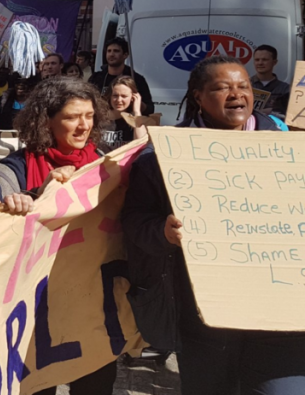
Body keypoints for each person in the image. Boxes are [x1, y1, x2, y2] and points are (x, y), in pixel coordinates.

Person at [121, 56, 301, 394]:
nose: (236, 94)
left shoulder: (289, 145)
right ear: (197, 97)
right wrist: (162, 232)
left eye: (243, 86)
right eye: (222, 88)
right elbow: (133, 221)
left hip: (283, 319)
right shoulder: (162, 155)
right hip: (205, 318)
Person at [0, 76, 115, 394]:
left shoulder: (107, 165)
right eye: (72, 117)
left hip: (91, 307)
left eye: (89, 116)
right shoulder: (13, 169)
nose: (83, 126)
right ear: (47, 121)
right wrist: (38, 197)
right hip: (35, 308)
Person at [88, 38, 155, 114]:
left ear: (125, 55)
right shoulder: (96, 78)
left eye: (116, 51)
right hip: (102, 122)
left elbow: (150, 109)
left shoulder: (136, 79)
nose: (112, 54)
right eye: (109, 51)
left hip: (127, 123)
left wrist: (137, 102)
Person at [101, 76, 148, 151]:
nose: (119, 100)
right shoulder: (98, 118)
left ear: (133, 98)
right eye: (115, 96)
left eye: (124, 96)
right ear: (110, 96)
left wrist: (137, 111)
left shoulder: (135, 120)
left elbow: (141, 145)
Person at [251, 44, 291, 116]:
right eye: (257, 60)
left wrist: (272, 111)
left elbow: (291, 114)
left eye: (264, 60)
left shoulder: (285, 89)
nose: (260, 63)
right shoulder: (244, 86)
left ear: (274, 62)